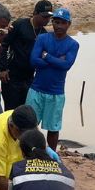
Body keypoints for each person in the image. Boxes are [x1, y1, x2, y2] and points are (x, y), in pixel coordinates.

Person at [27, 8, 79, 151]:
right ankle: (28, 153)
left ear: (68, 24)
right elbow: (33, 60)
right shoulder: (43, 38)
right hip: (36, 89)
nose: (59, 26)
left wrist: (46, 56)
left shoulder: (73, 44)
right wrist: (56, 60)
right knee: (29, 125)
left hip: (56, 92)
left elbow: (66, 65)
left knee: (53, 128)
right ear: (52, 23)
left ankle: (51, 156)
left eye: (62, 23)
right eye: (56, 22)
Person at [0, 0, 52, 110]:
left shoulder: (44, 34)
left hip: (29, 78)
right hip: (12, 77)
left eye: (48, 17)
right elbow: (4, 45)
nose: (47, 19)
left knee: (25, 112)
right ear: (35, 13)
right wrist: (3, 69)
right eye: (44, 16)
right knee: (10, 111)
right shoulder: (20, 25)